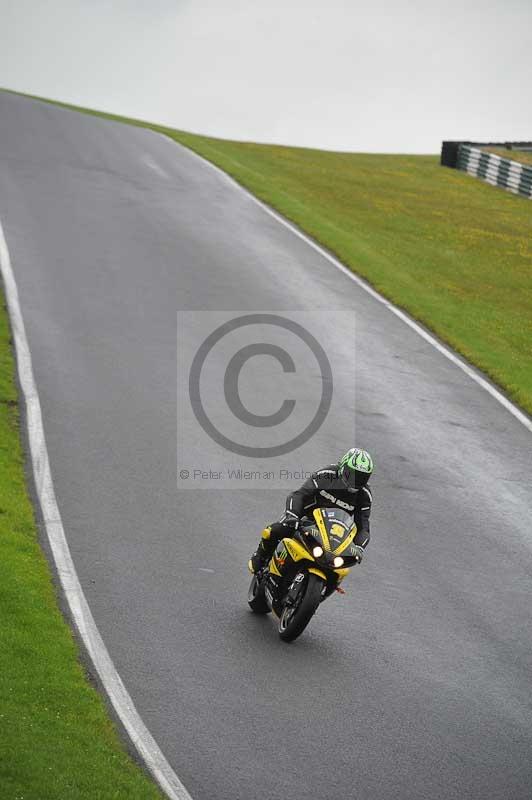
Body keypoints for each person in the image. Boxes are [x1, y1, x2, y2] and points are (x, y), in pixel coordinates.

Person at [249, 447, 374, 573]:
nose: (355, 480)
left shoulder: (364, 494)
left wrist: (359, 547)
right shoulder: (327, 475)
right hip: (306, 518)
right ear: (343, 467)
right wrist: (292, 515)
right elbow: (300, 495)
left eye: (362, 477)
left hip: (333, 532)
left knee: (340, 567)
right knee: (276, 530)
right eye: (351, 474)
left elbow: (363, 526)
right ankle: (260, 556)